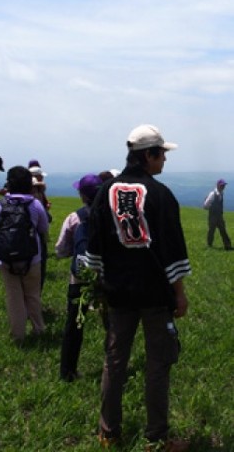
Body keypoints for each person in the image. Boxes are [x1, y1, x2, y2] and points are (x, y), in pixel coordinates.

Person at [85, 124, 191, 451]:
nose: (164, 161)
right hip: (155, 295)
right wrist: (179, 292)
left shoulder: (106, 192)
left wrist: (102, 285)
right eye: (162, 154)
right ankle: (157, 438)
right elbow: (172, 249)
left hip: (118, 292)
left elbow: (95, 246)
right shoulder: (159, 195)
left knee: (115, 361)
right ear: (148, 155)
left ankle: (108, 432)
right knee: (158, 363)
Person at [0, 166, 49, 342]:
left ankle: (18, 334)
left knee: (14, 297)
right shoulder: (34, 204)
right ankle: (39, 329)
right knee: (32, 295)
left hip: (5, 259)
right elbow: (43, 228)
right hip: (32, 257)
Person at [56, 173, 103, 382]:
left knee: (74, 324)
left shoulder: (74, 217)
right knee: (113, 324)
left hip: (80, 278)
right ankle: (114, 366)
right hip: (106, 278)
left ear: (83, 196)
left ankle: (68, 371)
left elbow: (60, 249)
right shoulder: (112, 217)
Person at [203, 179, 232, 250]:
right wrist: (212, 208)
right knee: (211, 231)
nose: (223, 186)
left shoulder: (221, 193)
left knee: (223, 230)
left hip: (219, 216)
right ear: (218, 185)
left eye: (224, 185)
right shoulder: (213, 194)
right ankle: (209, 245)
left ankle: (227, 246)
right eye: (222, 185)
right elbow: (205, 205)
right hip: (213, 216)